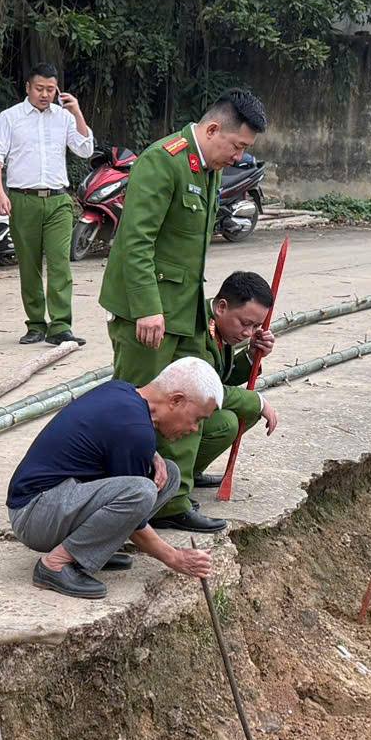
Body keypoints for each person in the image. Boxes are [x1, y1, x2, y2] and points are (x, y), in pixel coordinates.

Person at [97, 89, 267, 536]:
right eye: (238, 146)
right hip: (149, 313)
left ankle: (174, 497)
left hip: (185, 311)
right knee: (139, 408)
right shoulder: (163, 160)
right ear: (213, 130)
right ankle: (118, 506)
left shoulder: (206, 168)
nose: (238, 157)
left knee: (194, 402)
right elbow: (135, 240)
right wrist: (147, 308)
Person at [5, 357, 222, 599]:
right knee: (141, 492)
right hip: (35, 515)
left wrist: (151, 453)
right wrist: (173, 556)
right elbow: (135, 511)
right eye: (197, 419)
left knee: (168, 474)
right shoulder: (134, 430)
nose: (194, 428)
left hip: (51, 502)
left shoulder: (123, 392)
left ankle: (89, 550)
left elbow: (112, 438)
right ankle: (54, 565)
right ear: (176, 400)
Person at [0, 66, 93, 346]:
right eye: (40, 88)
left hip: (58, 200)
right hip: (23, 199)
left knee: (60, 263)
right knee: (29, 265)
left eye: (51, 89)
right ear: (28, 87)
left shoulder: (64, 118)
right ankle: (35, 324)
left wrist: (77, 112)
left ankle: (60, 327)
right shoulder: (10, 118)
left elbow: (85, 149)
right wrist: (0, 192)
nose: (45, 94)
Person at [189, 269, 279, 493]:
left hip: (196, 399)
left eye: (256, 327)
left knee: (245, 413)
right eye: (245, 323)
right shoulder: (196, 328)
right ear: (221, 307)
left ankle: (190, 471)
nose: (249, 332)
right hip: (173, 407)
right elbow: (206, 387)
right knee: (227, 422)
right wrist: (257, 400)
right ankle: (179, 477)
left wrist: (251, 355)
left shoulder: (220, 325)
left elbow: (220, 375)